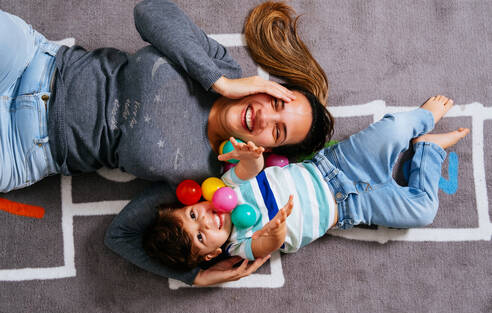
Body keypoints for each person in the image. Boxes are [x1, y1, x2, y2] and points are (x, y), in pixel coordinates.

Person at [0, 1, 332, 285]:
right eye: (276, 104)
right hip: (34, 62)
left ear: (269, 149)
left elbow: (120, 237)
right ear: (267, 88)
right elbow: (149, 11)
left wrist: (195, 277)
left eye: (277, 131)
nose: (264, 118)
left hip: (25, 149)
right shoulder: (223, 68)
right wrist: (220, 83)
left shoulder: (205, 181)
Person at [142, 96, 469, 270]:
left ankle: (422, 118)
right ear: (211, 254)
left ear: (194, 201)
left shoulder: (227, 188)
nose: (207, 220)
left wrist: (249, 155)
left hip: (334, 165)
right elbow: (264, 247)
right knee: (422, 212)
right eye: (201, 236)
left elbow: (252, 168)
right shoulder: (239, 244)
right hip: (353, 207)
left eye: (194, 215)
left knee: (394, 130)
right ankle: (429, 149)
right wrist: (274, 234)